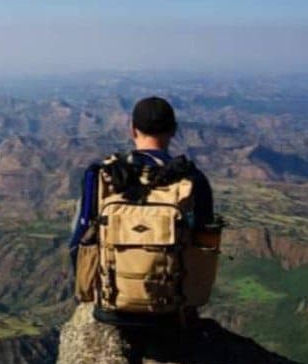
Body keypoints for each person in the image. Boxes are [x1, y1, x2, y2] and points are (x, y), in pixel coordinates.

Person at [69, 96, 216, 321]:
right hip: (170, 313)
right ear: (174, 130)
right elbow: (205, 247)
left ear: (132, 130)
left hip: (111, 309)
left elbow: (79, 242)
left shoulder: (100, 176)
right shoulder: (192, 180)